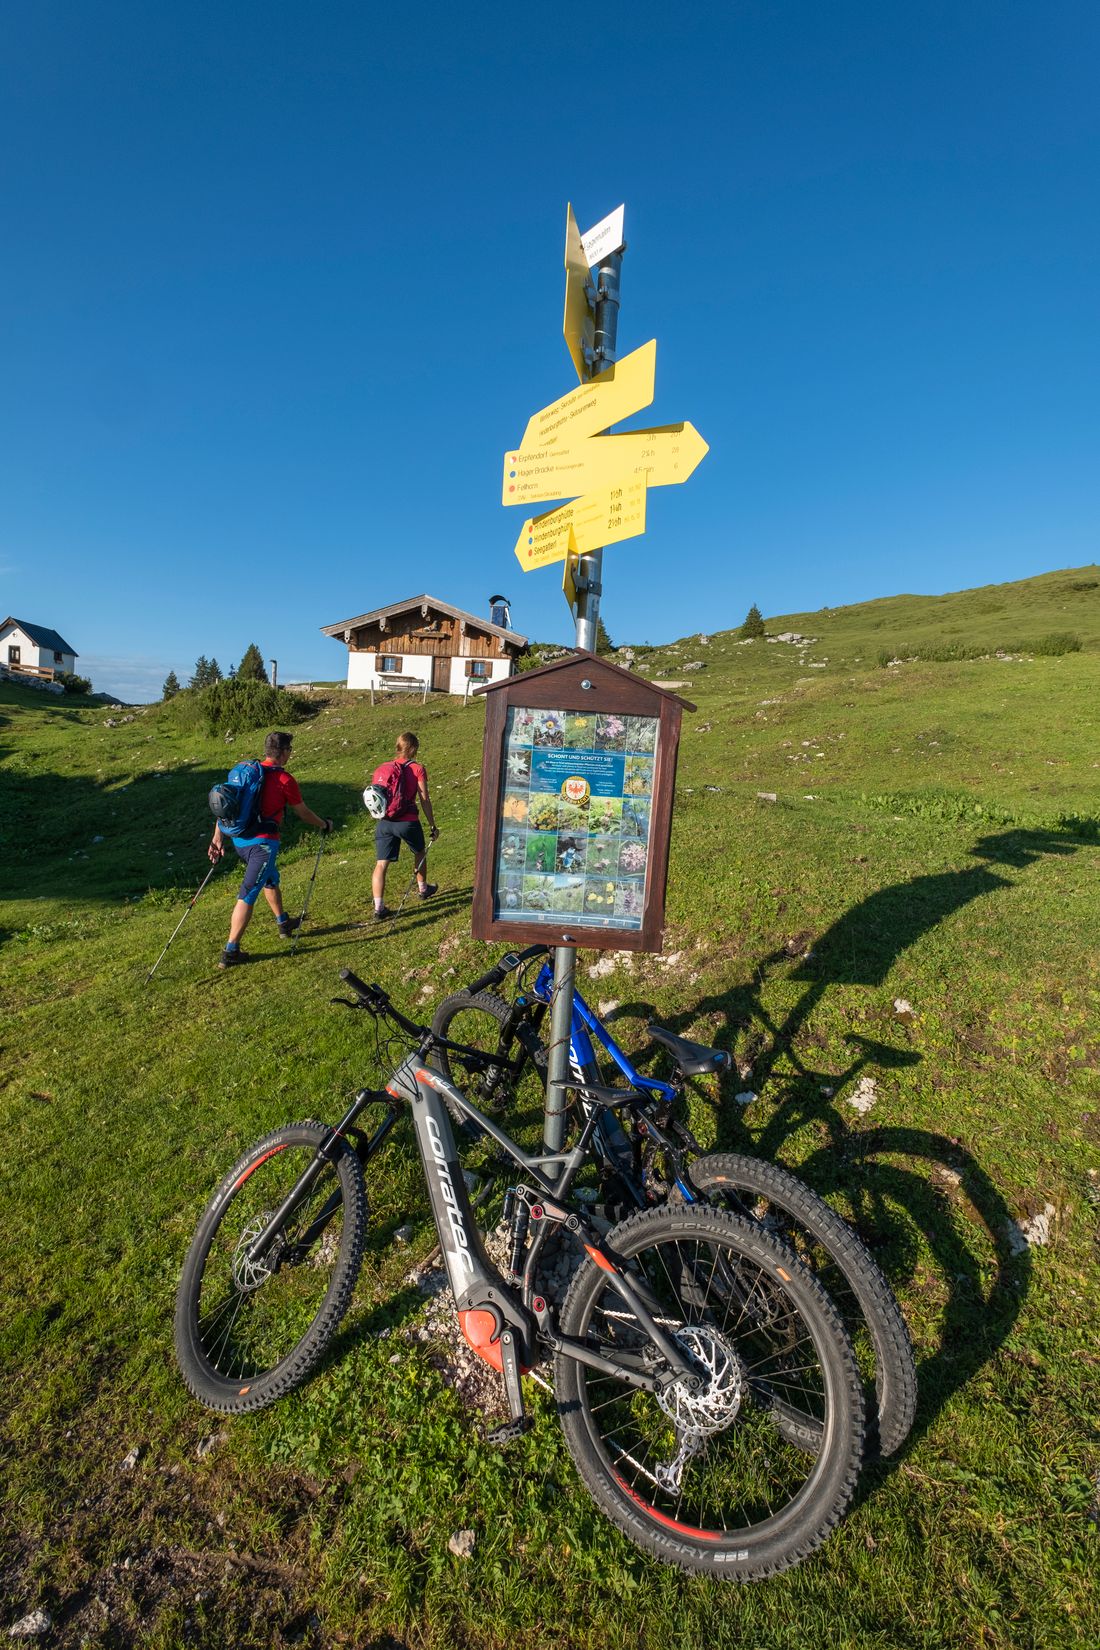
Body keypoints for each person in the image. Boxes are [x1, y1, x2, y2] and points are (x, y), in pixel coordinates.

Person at [208, 730, 332, 968]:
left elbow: (227, 807)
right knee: (248, 893)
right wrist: (324, 824)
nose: (290, 754)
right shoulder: (284, 780)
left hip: (240, 841)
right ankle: (231, 951)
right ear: (284, 753)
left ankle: (283, 922)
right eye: (290, 750)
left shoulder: (247, 773)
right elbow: (303, 813)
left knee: (270, 878)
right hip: (262, 845)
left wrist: (218, 837)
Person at [372, 730, 438, 920]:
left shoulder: (383, 768)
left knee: (381, 864)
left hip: (385, 821)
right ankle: (423, 889)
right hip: (407, 821)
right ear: (413, 748)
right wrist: (432, 824)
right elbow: (424, 798)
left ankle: (378, 908)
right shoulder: (417, 768)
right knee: (419, 852)